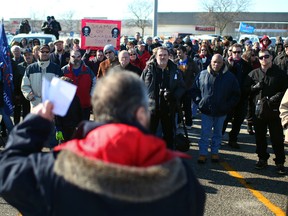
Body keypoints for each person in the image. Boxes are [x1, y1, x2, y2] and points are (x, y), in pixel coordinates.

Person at [0, 71, 206, 216]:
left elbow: (7, 172)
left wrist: (33, 124)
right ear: (142, 113)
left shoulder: (58, 166)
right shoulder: (181, 176)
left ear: (98, 113)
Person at [191, 54, 240, 163]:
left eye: (219, 62)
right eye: (214, 62)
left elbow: (236, 94)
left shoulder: (230, 77)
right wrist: (200, 102)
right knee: (205, 133)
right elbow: (194, 90)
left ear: (223, 63)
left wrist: (227, 106)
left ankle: (215, 152)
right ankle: (203, 153)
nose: (216, 64)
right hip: (206, 111)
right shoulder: (202, 74)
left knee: (218, 133)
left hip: (221, 111)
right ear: (210, 62)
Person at [245, 49, 287, 175]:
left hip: (275, 111)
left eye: (266, 56)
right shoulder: (253, 74)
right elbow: (244, 90)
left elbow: (286, 90)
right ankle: (262, 159)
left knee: (277, 138)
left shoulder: (280, 74)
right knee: (260, 137)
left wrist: (276, 97)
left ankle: (280, 162)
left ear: (271, 57)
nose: (264, 59)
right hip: (258, 112)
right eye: (261, 57)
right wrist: (254, 88)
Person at [141, 46, 186, 149]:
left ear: (169, 56)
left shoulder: (174, 69)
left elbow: (182, 87)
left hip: (168, 107)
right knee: (149, 134)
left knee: (169, 135)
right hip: (151, 107)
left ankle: (168, 156)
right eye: (160, 55)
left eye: (165, 55)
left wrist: (174, 95)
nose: (163, 57)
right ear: (156, 57)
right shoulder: (148, 69)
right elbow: (140, 85)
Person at [222, 43, 253, 149]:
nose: (236, 54)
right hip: (228, 97)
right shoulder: (225, 63)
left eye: (239, 52)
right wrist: (230, 66)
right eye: (234, 52)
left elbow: (250, 80)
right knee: (225, 119)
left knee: (238, 120)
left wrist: (247, 91)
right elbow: (222, 77)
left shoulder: (246, 65)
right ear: (231, 52)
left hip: (242, 96)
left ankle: (233, 139)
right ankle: (218, 137)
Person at [62, 49, 96, 120]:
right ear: (70, 57)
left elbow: (95, 81)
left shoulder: (87, 70)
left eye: (78, 56)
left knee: (83, 128)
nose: (76, 59)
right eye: (73, 56)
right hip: (69, 106)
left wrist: (91, 94)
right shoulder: (64, 70)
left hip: (84, 104)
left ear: (81, 57)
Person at [175, 45, 199, 129]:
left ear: (185, 53)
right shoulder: (175, 62)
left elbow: (197, 73)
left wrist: (193, 84)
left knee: (187, 107)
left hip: (188, 88)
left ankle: (188, 123)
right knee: (177, 107)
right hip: (178, 89)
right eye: (177, 53)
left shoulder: (191, 62)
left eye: (180, 53)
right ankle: (178, 122)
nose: (178, 55)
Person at [54, 76, 82, 143]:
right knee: (62, 147)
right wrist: (58, 130)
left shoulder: (75, 98)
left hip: (74, 128)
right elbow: (56, 118)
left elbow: (79, 112)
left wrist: (79, 125)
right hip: (62, 129)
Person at [13, 48, 34, 125]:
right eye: (25, 55)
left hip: (35, 94)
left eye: (29, 55)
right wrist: (16, 94)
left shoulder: (37, 65)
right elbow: (16, 82)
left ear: (32, 55)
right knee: (23, 113)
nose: (27, 57)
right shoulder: (19, 67)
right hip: (22, 94)